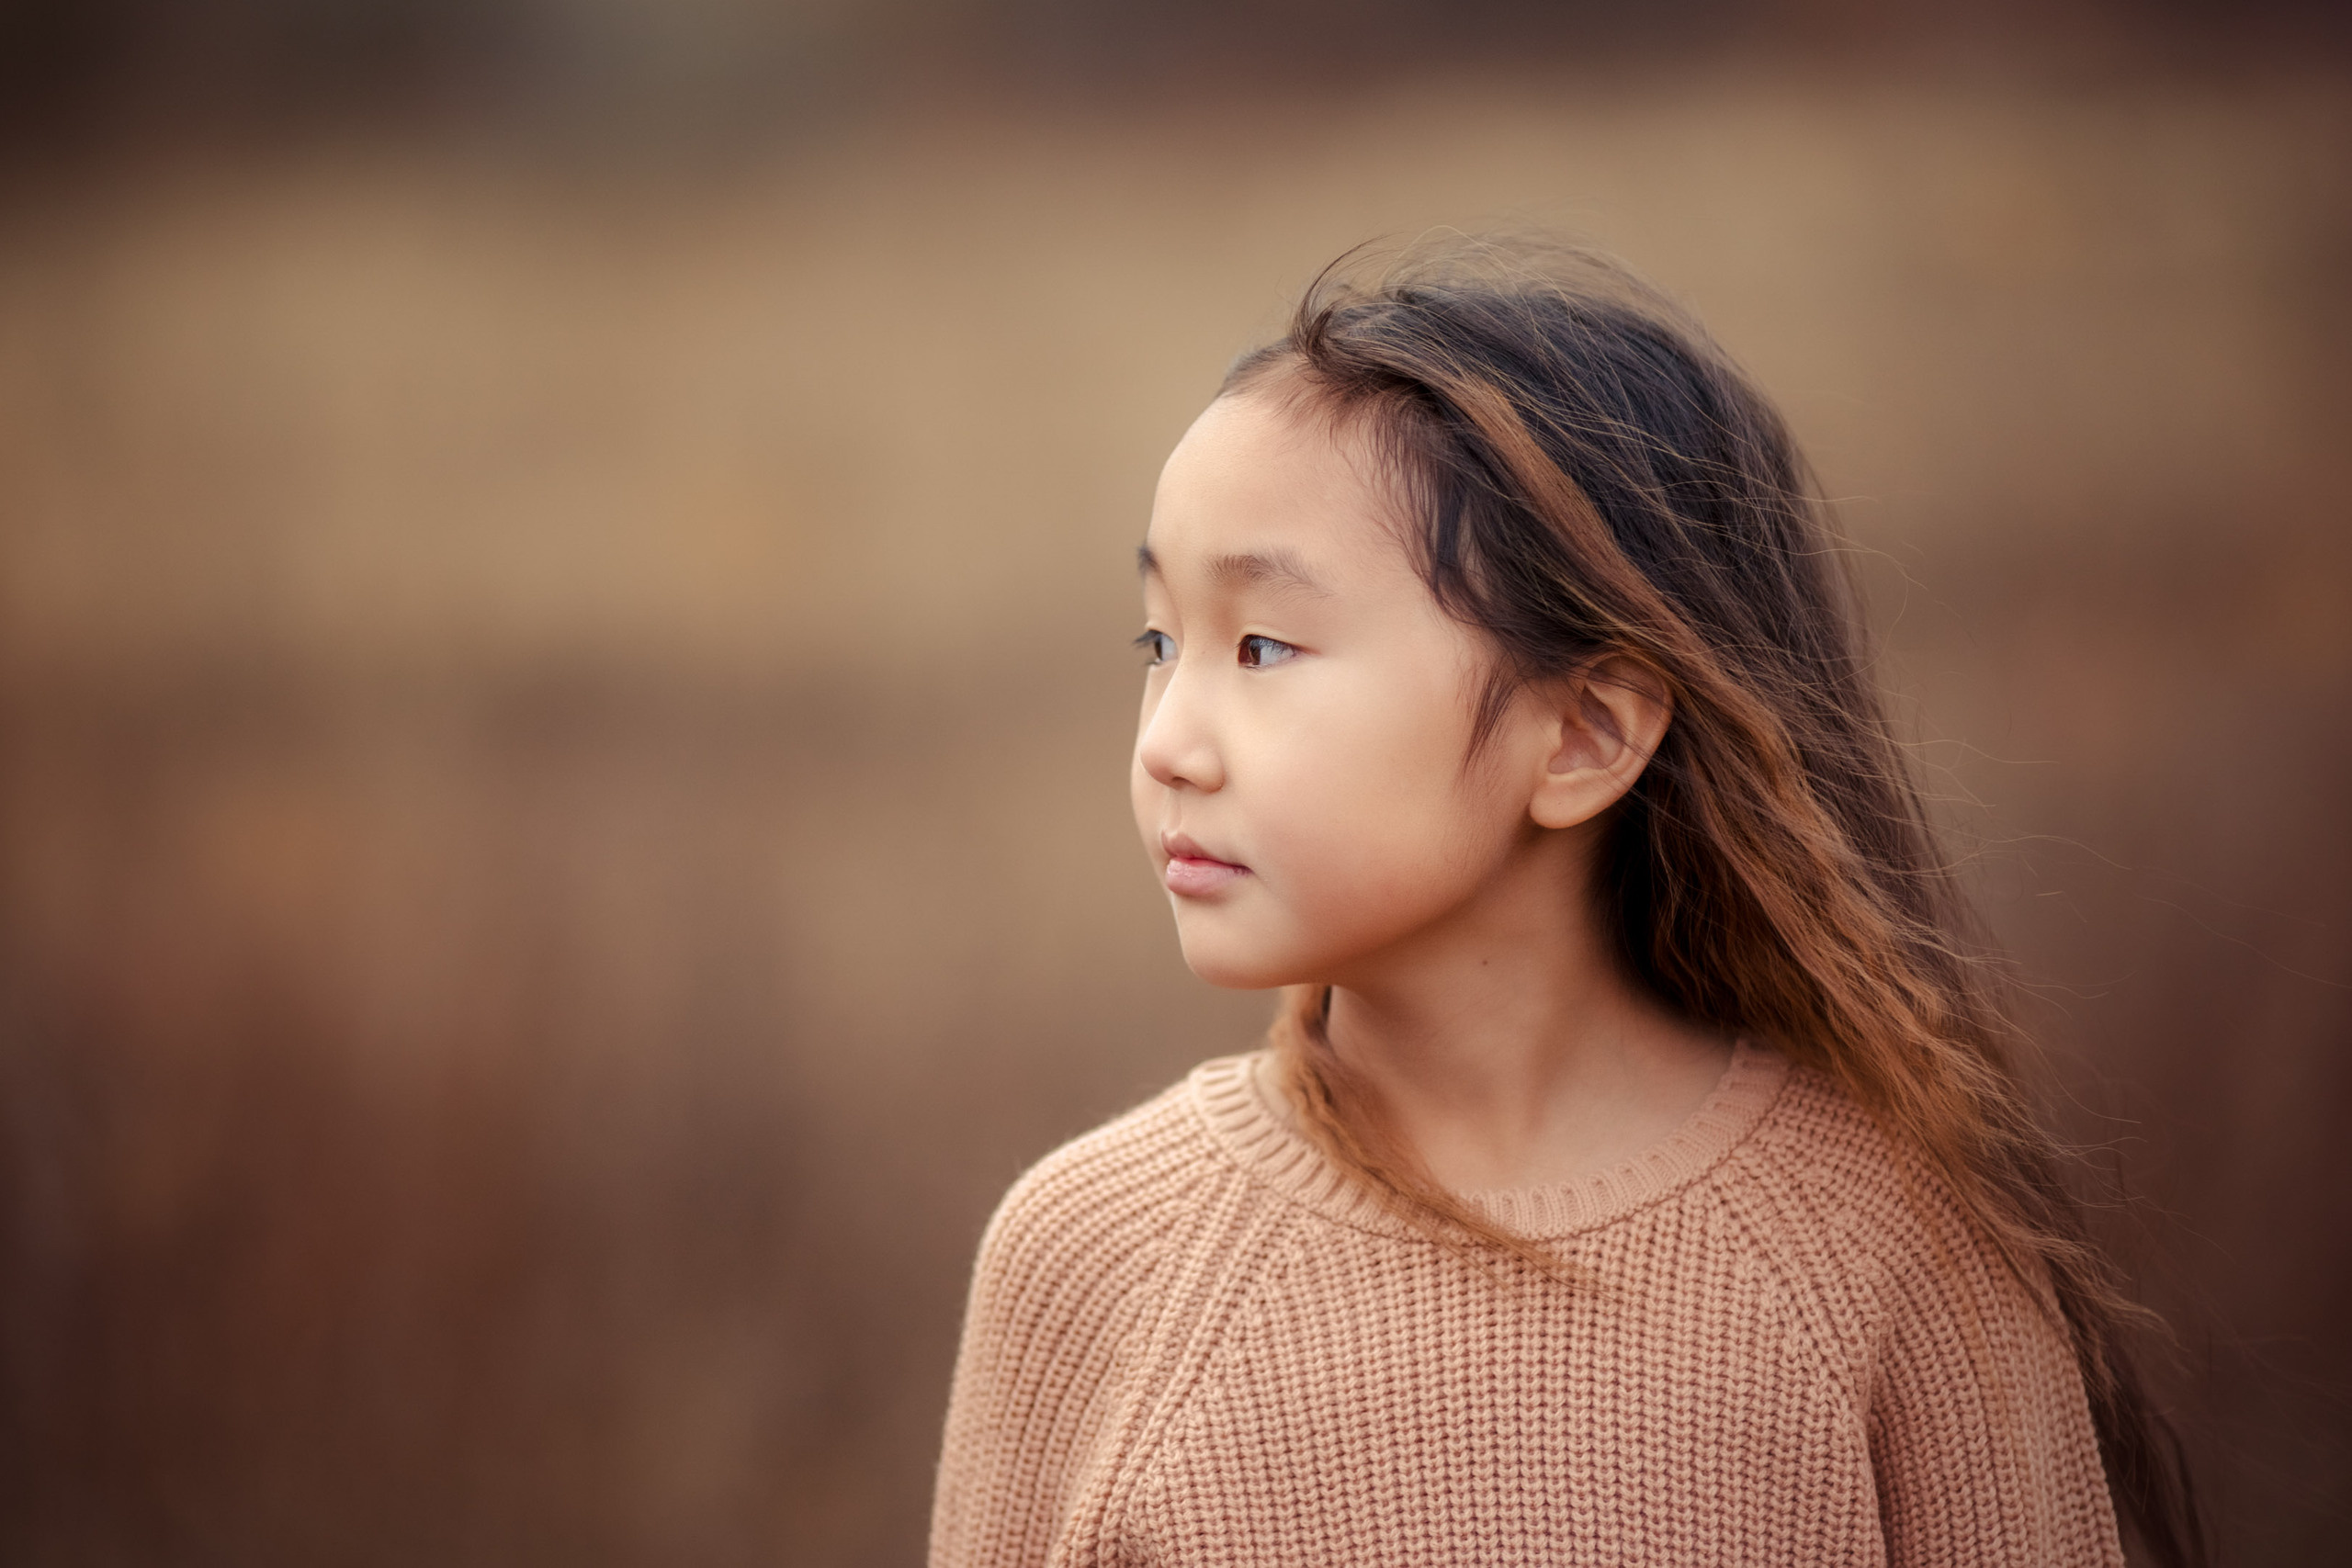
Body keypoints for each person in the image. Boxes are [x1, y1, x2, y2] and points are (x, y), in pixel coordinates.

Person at [928, 239, 2199, 1567]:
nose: (1168, 743)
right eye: (1159, 643)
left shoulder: (1893, 1253)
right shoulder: (1090, 1257)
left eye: (1263, 646)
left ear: (1587, 731)